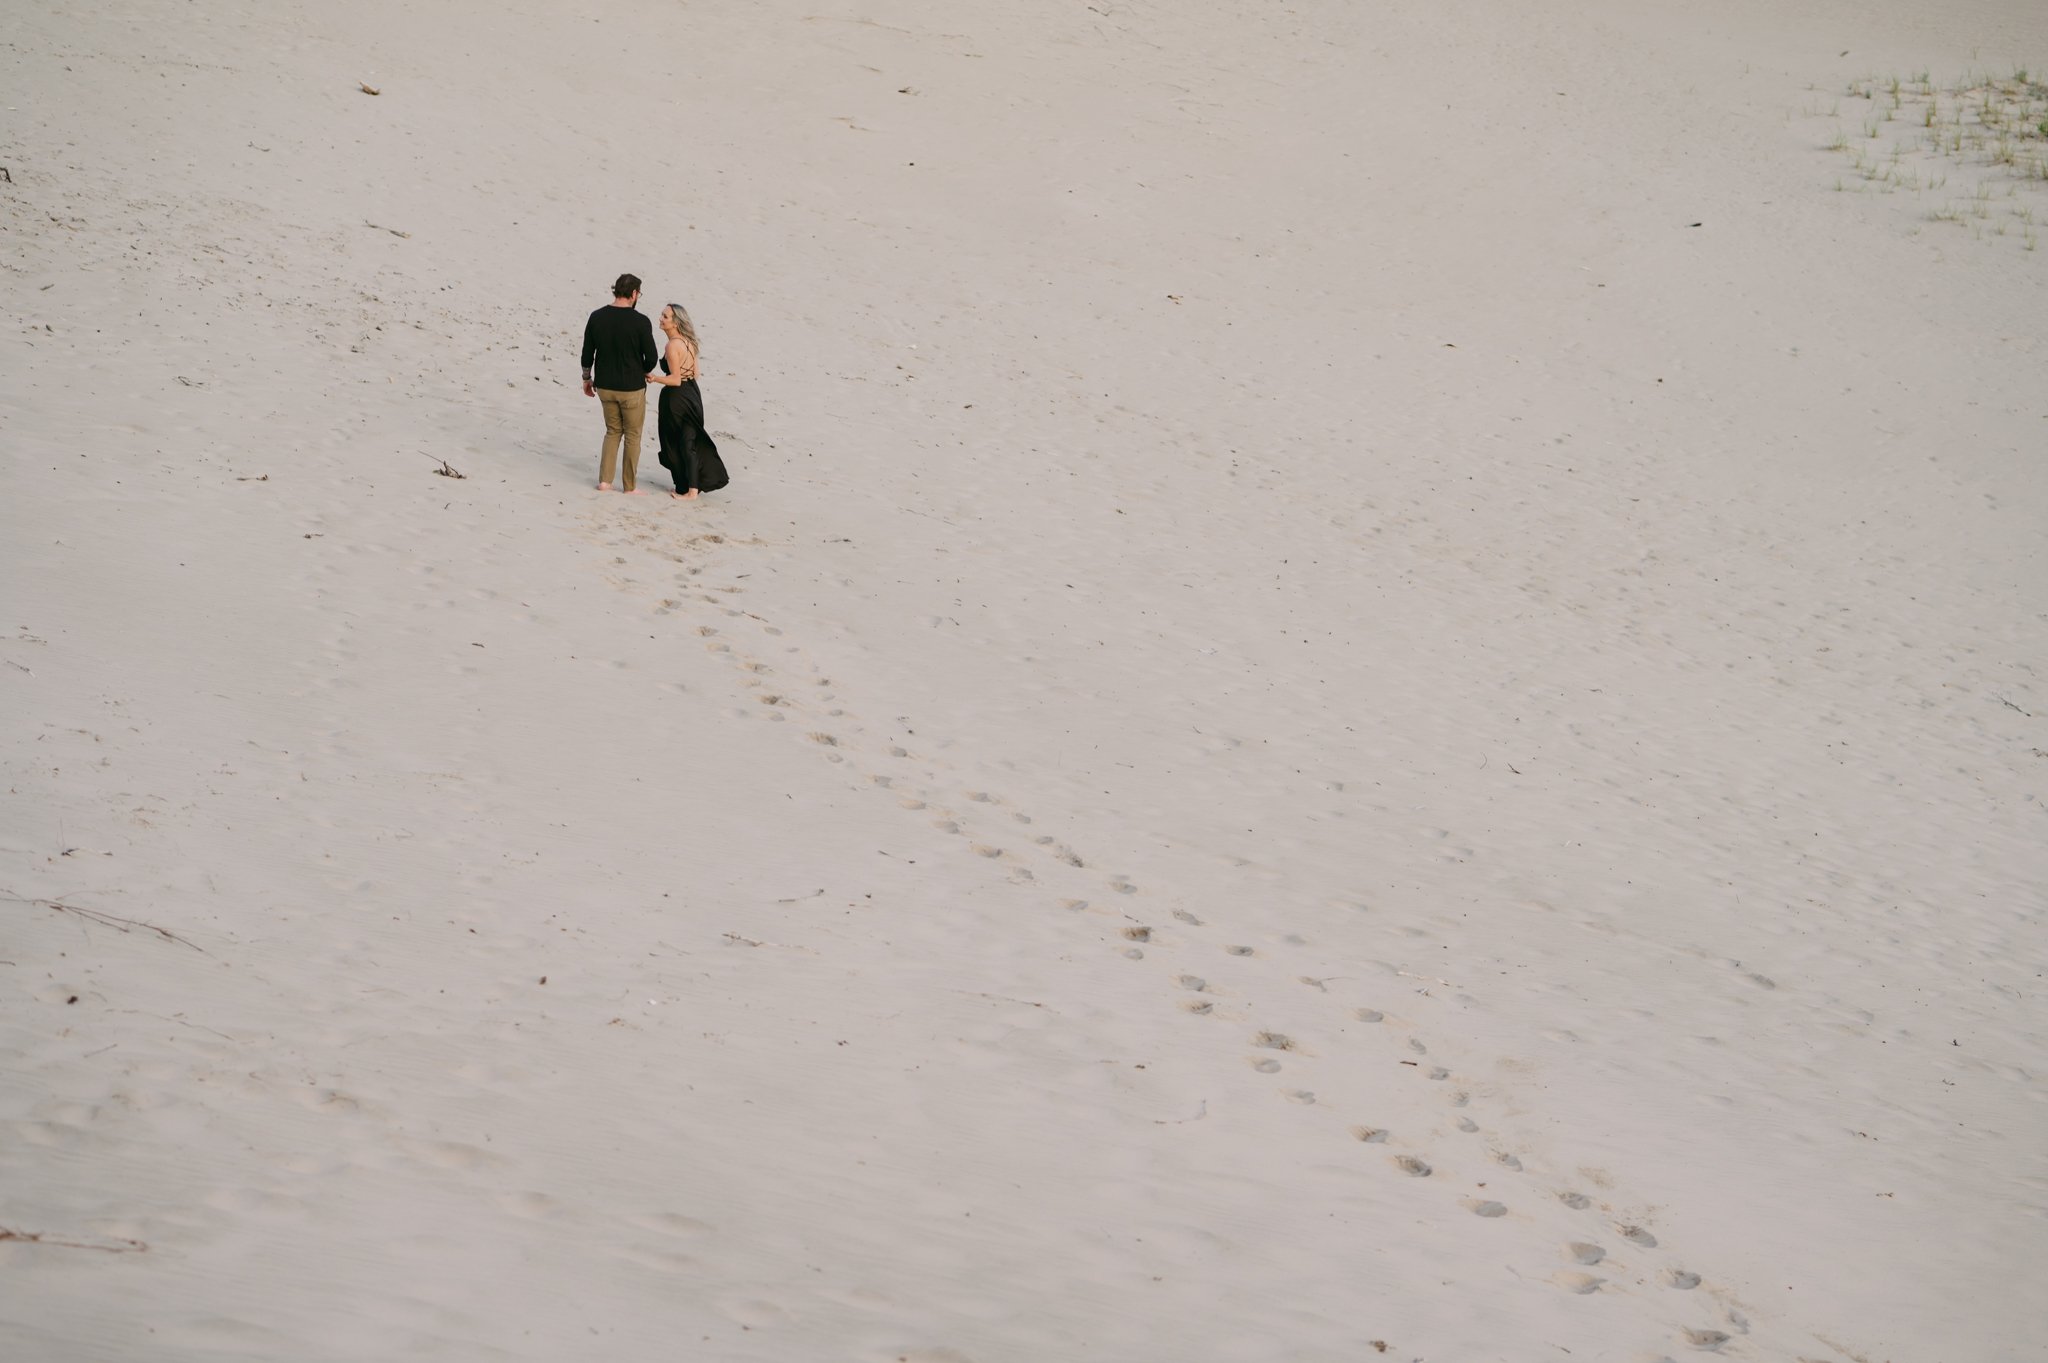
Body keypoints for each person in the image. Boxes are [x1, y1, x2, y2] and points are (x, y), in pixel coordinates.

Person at [580, 274, 661, 493]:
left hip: (605, 385)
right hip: (632, 387)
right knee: (633, 435)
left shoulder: (597, 317)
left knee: (612, 431)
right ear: (634, 294)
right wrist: (642, 370)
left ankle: (605, 481)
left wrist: (586, 379)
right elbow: (652, 357)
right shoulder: (641, 321)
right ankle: (629, 486)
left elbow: (587, 352)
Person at [646, 302, 729, 500]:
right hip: (692, 394)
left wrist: (654, 378)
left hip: (676, 398)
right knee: (689, 441)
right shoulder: (690, 342)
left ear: (675, 322)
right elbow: (695, 374)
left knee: (675, 441)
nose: (661, 318)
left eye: (665, 316)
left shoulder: (672, 345)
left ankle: (688, 489)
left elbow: (675, 379)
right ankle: (690, 489)